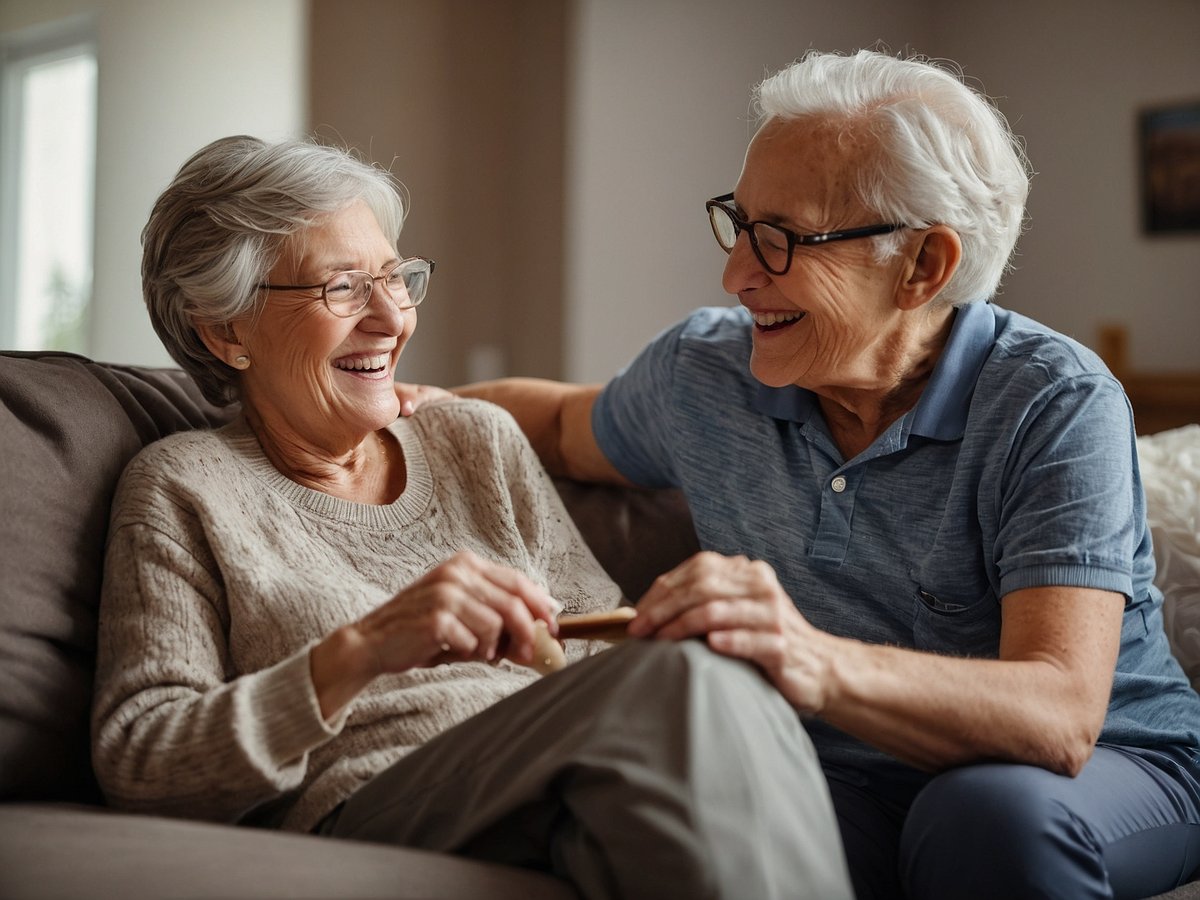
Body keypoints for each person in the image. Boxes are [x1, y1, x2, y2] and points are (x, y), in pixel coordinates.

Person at [403, 50, 1200, 899]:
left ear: (923, 266)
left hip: (1110, 768)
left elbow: (1059, 717)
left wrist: (810, 659)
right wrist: (384, 412)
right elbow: (562, 424)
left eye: (781, 239)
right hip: (847, 778)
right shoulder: (707, 374)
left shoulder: (1053, 403)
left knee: (982, 820)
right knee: (673, 825)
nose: (736, 275)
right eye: (738, 224)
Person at [90, 135, 854, 900]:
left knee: (721, 672)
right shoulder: (184, 488)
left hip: (551, 776)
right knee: (682, 684)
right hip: (373, 800)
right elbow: (142, 757)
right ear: (223, 331)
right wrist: (363, 649)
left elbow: (598, 644)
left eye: (396, 278)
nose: (392, 318)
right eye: (343, 288)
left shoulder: (471, 440)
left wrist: (679, 618)